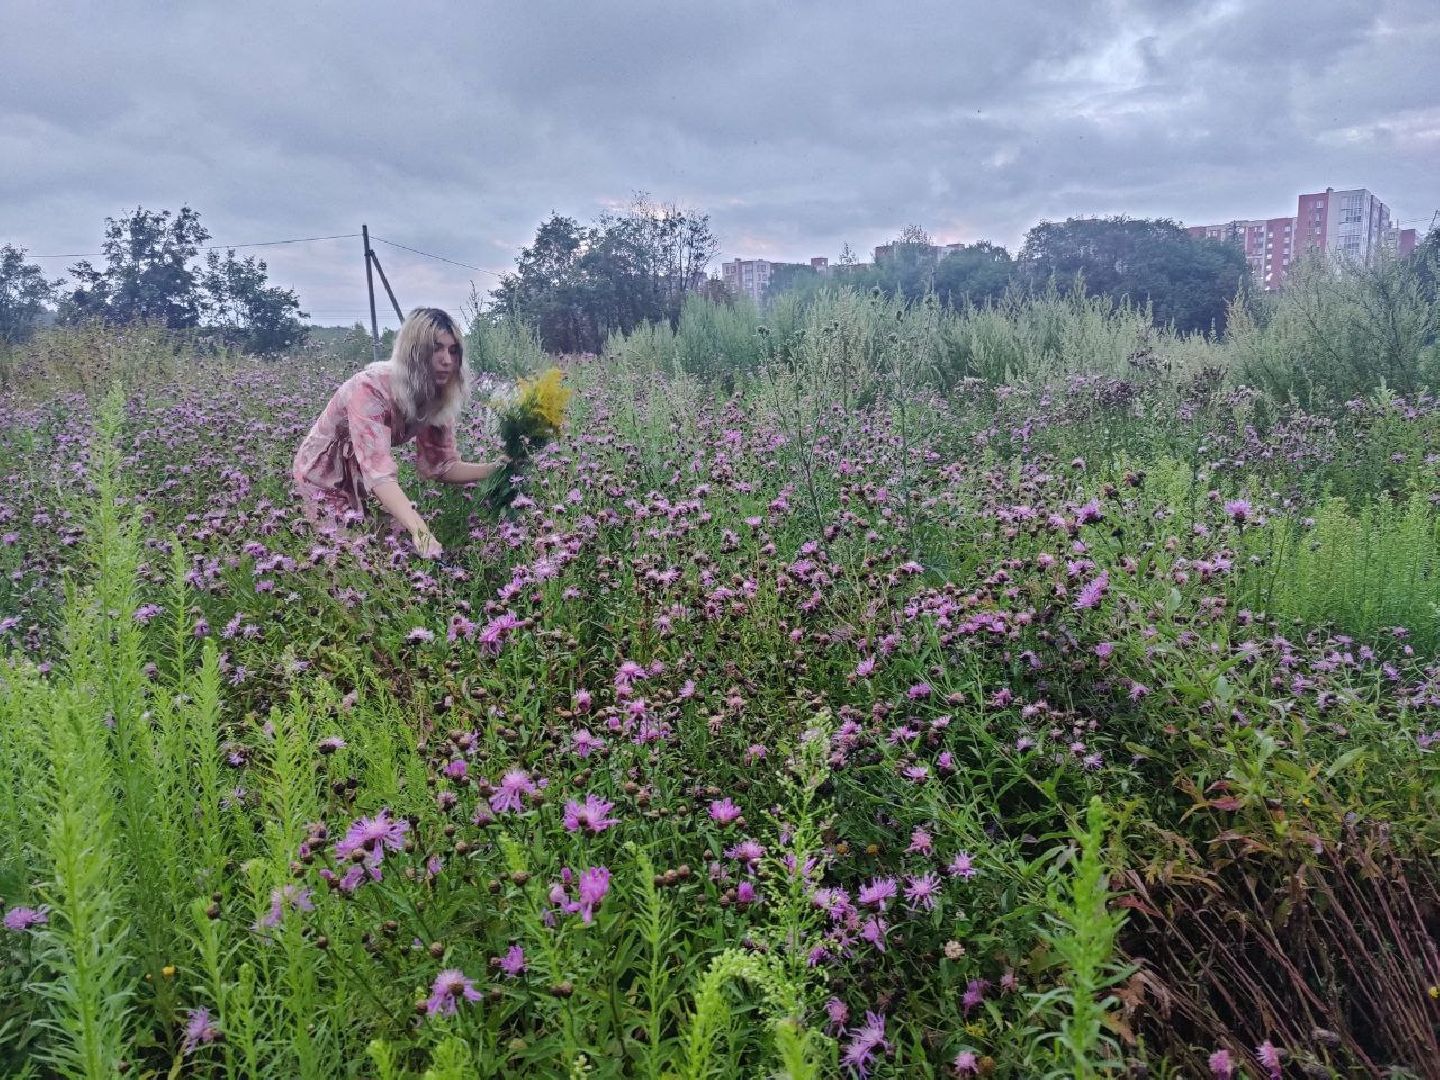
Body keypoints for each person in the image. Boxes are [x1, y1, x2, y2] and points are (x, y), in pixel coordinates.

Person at [292, 307, 508, 558]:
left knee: (391, 550)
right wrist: (421, 531)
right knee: (348, 558)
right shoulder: (370, 389)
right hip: (321, 477)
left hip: (364, 480)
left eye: (453, 350)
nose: (447, 360)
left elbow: (440, 466)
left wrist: (497, 468)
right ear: (413, 353)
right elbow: (379, 473)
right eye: (435, 349)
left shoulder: (437, 397)